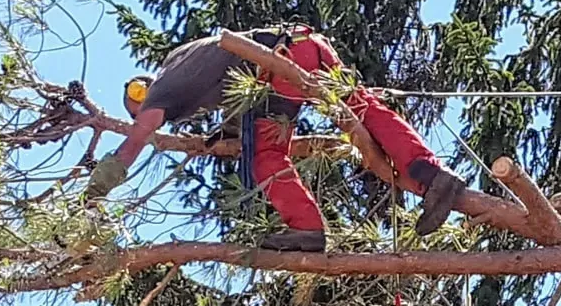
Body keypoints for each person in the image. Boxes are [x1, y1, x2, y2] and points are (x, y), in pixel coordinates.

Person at [85, 24, 466, 251]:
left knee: (265, 154)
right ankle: (433, 178)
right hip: (306, 44)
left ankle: (307, 229)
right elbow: (231, 82)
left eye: (142, 111)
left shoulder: (161, 88)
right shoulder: (187, 61)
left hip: (280, 62)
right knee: (361, 107)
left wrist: (97, 189)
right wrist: (230, 130)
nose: (152, 118)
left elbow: (136, 140)